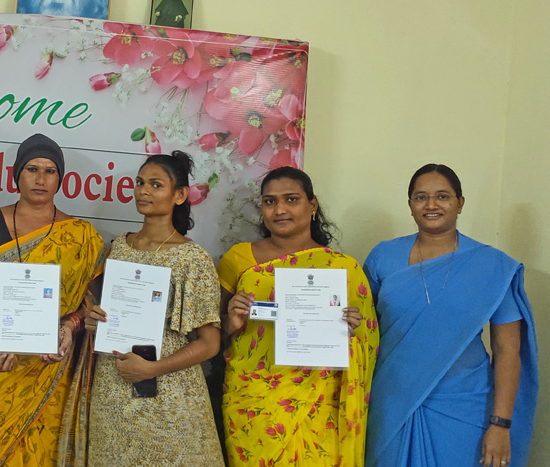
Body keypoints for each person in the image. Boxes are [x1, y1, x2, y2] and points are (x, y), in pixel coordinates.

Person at [364, 164, 538, 467]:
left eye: (442, 196)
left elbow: (507, 350)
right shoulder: (382, 256)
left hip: (465, 405)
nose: (431, 205)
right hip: (393, 402)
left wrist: (500, 424)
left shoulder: (490, 266)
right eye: (421, 197)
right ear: (410, 205)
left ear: (460, 202)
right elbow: (364, 329)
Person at [0, 133, 104, 466]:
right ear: (17, 175)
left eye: (50, 171)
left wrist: (72, 326)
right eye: (32, 169)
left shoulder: (81, 235)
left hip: (49, 370)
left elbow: (90, 304)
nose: (40, 179)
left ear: (61, 178)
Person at [219, 166, 378, 466]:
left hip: (321, 403)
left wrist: (353, 330)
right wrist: (232, 322)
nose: (279, 209)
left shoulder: (343, 268)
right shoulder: (238, 258)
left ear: (312, 205)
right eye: (269, 201)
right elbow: (213, 331)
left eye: (291, 199)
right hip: (253, 401)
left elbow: (368, 343)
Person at [81, 151, 225, 466]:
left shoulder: (192, 258)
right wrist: (94, 319)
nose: (143, 191)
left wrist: (151, 369)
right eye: (140, 183)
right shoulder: (118, 247)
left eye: (156, 185)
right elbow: (101, 310)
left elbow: (210, 343)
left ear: (180, 195)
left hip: (168, 391)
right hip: (114, 384)